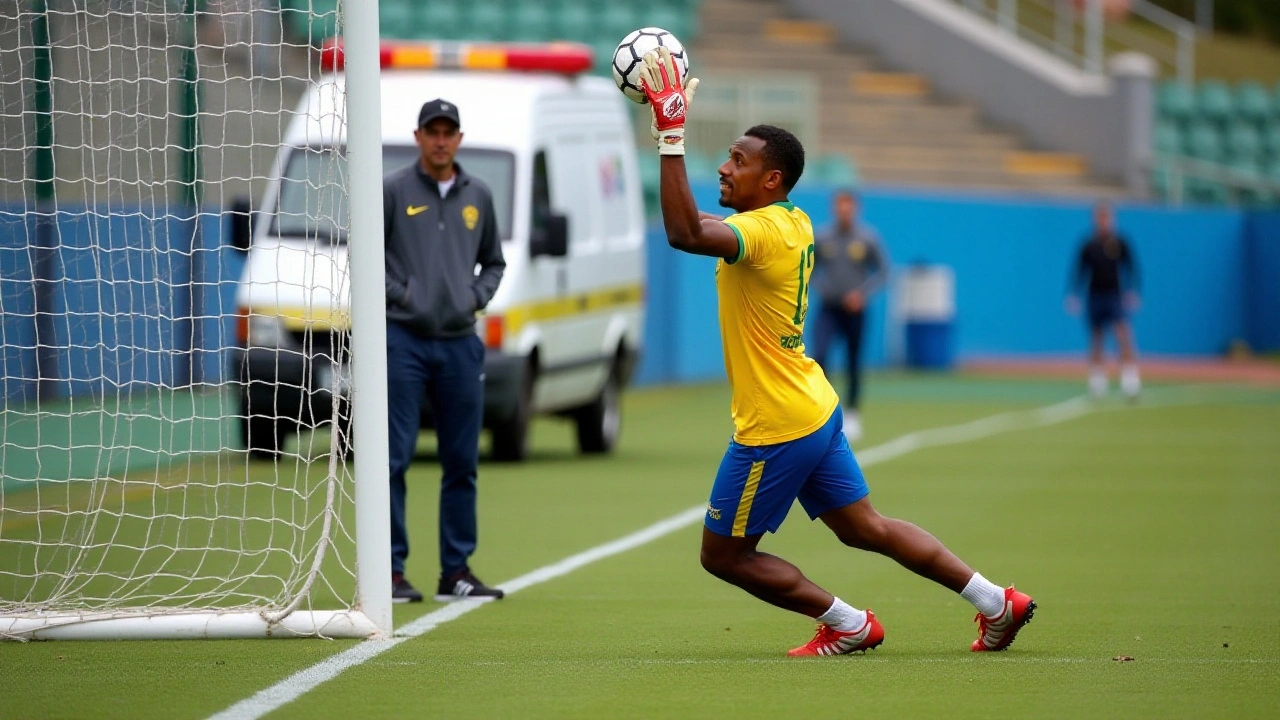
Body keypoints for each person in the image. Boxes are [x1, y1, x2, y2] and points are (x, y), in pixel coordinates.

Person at [638, 47, 1035, 656]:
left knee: (722, 555)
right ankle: (995, 602)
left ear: (771, 181)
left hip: (776, 424)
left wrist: (671, 137)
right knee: (866, 528)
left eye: (737, 161)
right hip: (814, 407)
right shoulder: (795, 221)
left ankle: (848, 623)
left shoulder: (765, 230)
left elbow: (683, 233)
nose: (723, 168)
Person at [382, 98, 507, 602]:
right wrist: (403, 296)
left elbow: (493, 262)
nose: (440, 140)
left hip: (459, 344)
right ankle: (389, 572)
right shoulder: (392, 190)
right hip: (403, 341)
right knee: (394, 458)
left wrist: (472, 298)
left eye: (447, 132)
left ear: (458, 138)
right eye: (431, 131)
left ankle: (455, 571)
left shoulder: (479, 194)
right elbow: (366, 254)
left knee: (461, 461)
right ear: (418, 137)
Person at [811, 190, 889, 442]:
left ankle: (853, 414)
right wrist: (823, 289)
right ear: (834, 209)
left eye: (848, 207)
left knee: (853, 361)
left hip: (856, 310)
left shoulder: (867, 238)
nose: (843, 211)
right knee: (820, 355)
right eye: (839, 207)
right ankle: (824, 411)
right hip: (829, 308)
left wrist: (861, 294)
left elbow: (883, 271)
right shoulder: (823, 237)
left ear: (855, 209)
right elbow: (809, 267)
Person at [1066, 202, 1141, 399]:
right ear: (1095, 220)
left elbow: (1131, 267)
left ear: (1112, 220)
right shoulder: (1089, 245)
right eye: (1100, 218)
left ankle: (1130, 380)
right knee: (1096, 337)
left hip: (1114, 295)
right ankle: (1097, 381)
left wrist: (1133, 291)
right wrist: (1073, 294)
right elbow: (1079, 270)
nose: (1104, 222)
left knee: (1122, 334)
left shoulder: (1120, 243)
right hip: (1094, 296)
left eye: (1107, 218)